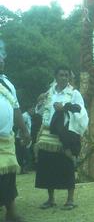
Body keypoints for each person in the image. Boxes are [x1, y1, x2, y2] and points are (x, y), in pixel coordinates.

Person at [34, 65, 89, 210]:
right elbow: (40, 112)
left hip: (64, 134)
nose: (64, 77)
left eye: (66, 75)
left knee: (67, 166)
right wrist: (39, 101)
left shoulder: (75, 93)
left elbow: (81, 113)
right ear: (56, 76)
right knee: (47, 166)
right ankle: (50, 199)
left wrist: (64, 107)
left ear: (69, 77)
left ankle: (70, 200)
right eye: (61, 75)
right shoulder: (49, 93)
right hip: (47, 134)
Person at [0, 54, 31, 222]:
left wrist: (25, 131)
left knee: (9, 176)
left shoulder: (7, 84)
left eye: (2, 58)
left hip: (6, 139)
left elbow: (16, 108)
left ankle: (11, 212)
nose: (1, 61)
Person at [15, 107, 34, 174]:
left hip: (25, 138)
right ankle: (23, 169)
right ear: (28, 109)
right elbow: (20, 128)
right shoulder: (24, 116)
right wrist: (22, 139)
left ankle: (22, 169)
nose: (33, 111)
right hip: (22, 138)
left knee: (23, 154)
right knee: (25, 155)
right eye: (32, 109)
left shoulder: (28, 116)